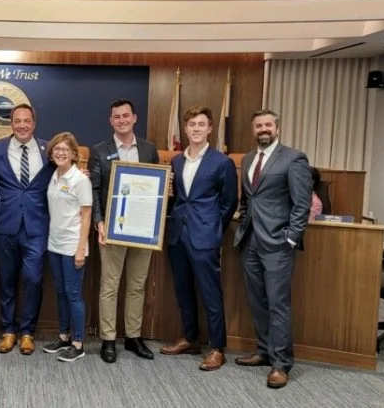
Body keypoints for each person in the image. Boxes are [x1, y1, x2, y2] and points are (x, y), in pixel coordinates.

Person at [233, 109, 312, 389]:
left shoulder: (294, 158)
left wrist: (291, 237)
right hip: (250, 241)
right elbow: (248, 200)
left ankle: (281, 363)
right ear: (253, 129)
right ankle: (264, 351)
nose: (263, 129)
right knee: (257, 301)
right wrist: (243, 224)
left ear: (277, 128)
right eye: (258, 125)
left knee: (278, 303)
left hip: (278, 243)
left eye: (268, 125)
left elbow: (302, 204)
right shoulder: (248, 158)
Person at [159, 106, 238, 371]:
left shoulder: (222, 162)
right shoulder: (177, 161)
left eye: (201, 124)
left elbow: (229, 203)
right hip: (178, 234)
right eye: (191, 124)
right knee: (183, 289)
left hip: (205, 235)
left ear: (210, 128)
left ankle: (217, 347)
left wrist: (214, 228)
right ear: (185, 128)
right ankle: (190, 338)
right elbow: (179, 197)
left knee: (210, 293)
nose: (196, 129)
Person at [88, 98, 159, 363]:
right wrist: (99, 222)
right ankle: (108, 338)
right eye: (116, 117)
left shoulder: (149, 149)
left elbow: (156, 188)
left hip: (142, 228)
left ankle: (133, 336)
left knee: (137, 285)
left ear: (134, 118)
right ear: (111, 121)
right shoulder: (99, 150)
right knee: (109, 285)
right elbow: (94, 189)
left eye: (126, 116)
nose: (122, 120)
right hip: (112, 227)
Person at [0, 103, 54, 355]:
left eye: (27, 121)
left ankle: (27, 332)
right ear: (11, 123)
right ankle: (8, 330)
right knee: (6, 281)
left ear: (34, 123)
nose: (22, 125)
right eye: (17, 121)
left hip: (37, 225)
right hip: (5, 224)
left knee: (33, 279)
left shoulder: (49, 149)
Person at [41, 132, 91, 362]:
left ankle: (78, 343)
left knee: (73, 294)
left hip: (73, 246)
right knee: (60, 293)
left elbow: (86, 215)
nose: (60, 153)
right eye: (56, 150)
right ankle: (63, 336)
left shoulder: (80, 179)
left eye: (65, 150)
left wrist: (81, 249)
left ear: (73, 154)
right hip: (55, 244)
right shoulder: (54, 176)